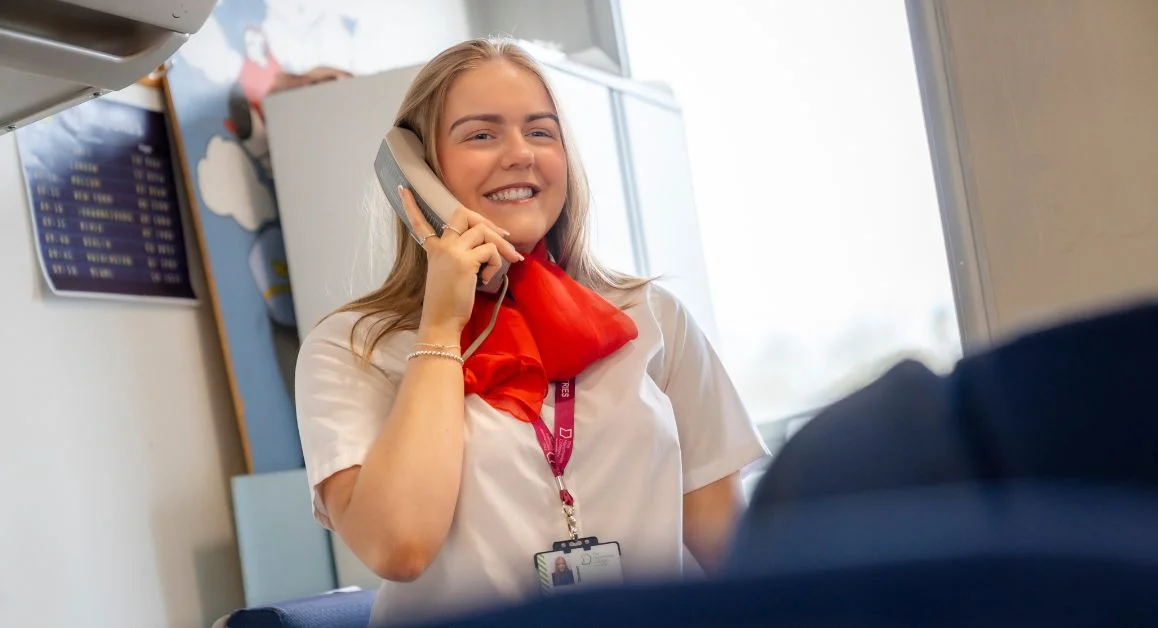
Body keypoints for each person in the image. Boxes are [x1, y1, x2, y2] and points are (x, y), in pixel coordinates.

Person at [294, 37, 768, 625]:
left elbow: (733, 557)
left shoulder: (652, 317)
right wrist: (442, 323)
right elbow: (399, 546)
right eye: (481, 134)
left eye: (541, 132)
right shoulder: (351, 346)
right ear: (416, 172)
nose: (520, 154)